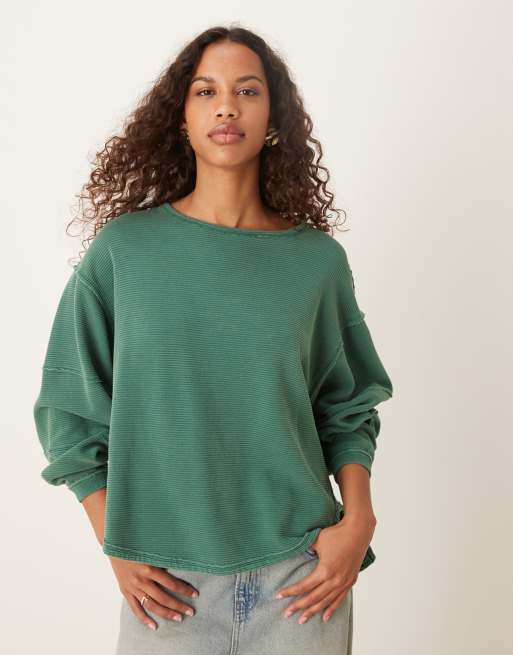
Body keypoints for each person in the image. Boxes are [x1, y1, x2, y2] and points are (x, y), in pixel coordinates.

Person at [33, 25, 393, 655]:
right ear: (182, 116)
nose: (227, 106)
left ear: (273, 117)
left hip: (302, 579)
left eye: (247, 91)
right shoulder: (125, 252)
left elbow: (347, 405)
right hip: (166, 585)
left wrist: (358, 518)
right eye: (206, 91)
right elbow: (68, 408)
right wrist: (113, 539)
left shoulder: (316, 262)